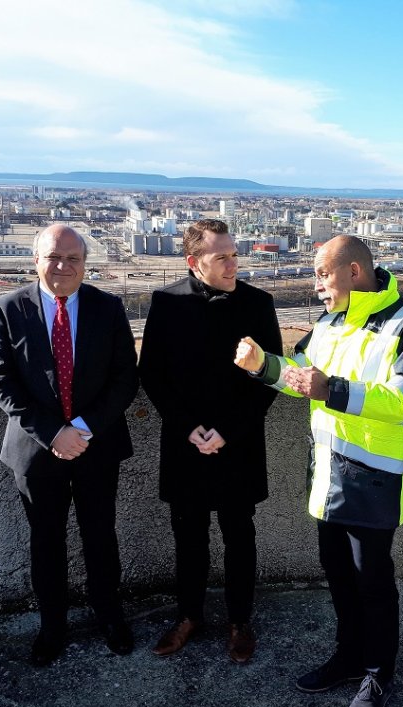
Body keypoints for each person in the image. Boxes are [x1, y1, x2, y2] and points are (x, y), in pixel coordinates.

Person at [234, 234, 403, 707]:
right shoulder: (328, 325)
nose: (317, 284)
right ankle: (349, 656)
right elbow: (301, 376)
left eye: (323, 273)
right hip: (328, 477)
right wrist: (264, 367)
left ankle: (378, 672)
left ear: (353, 272)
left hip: (375, 480)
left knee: (373, 581)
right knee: (339, 576)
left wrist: (333, 389)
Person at [0, 223, 139, 667]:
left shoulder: (107, 308)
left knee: (100, 537)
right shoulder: (7, 308)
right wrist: (54, 433)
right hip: (37, 452)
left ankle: (110, 616)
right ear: (36, 260)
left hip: (97, 446)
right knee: (46, 542)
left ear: (85, 264)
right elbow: (1, 381)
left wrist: (84, 429)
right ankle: (52, 626)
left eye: (73, 258)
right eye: (53, 257)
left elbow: (125, 378)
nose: (63, 266)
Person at [139, 219, 282, 663]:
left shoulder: (259, 303)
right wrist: (188, 427)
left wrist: (227, 431)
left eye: (234, 254)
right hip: (186, 443)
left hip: (237, 443)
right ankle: (189, 616)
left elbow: (270, 376)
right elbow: (153, 374)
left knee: (240, 534)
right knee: (188, 534)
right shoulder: (166, 302)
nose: (232, 263)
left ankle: (240, 621)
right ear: (193, 262)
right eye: (221, 256)